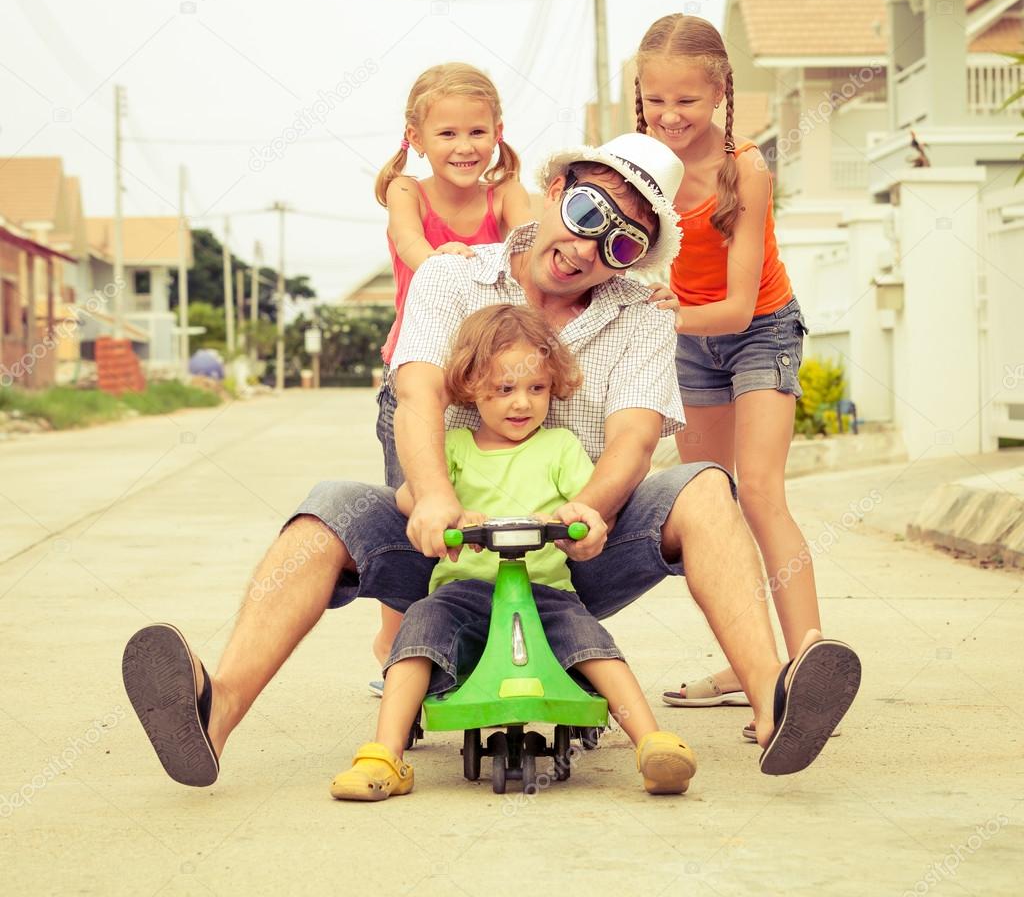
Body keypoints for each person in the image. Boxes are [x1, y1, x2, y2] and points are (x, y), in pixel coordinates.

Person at [121, 132, 860, 791]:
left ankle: (774, 702)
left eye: (622, 243)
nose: (588, 248)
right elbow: (416, 396)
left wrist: (587, 509)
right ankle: (213, 713)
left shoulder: (639, 311)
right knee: (327, 510)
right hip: (450, 546)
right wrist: (435, 499)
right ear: (559, 190)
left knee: (704, 486)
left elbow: (635, 439)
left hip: (571, 548)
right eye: (588, 216)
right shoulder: (453, 278)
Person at [330, 304, 697, 800]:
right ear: (469, 387)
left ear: (554, 386)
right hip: (462, 592)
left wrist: (579, 524)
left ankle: (653, 743)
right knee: (418, 627)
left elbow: (586, 507)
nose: (521, 402)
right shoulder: (455, 448)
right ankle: (384, 753)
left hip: (545, 591)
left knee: (589, 639)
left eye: (536, 388)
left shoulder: (559, 448)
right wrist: (445, 509)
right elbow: (408, 497)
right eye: (504, 389)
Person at [633, 14, 828, 733]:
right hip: (686, 341)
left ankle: (809, 668)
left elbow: (740, 303)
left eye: (687, 100)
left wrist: (661, 318)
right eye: (657, 100)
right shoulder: (634, 163)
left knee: (761, 493)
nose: (670, 115)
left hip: (758, 331)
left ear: (719, 91)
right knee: (706, 508)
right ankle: (754, 669)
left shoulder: (745, 168)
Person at [371, 63, 534, 688]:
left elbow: (529, 239)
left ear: (497, 130)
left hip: (489, 380)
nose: (464, 147)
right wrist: (440, 259)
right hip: (416, 376)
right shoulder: (407, 192)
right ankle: (395, 648)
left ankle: (485, 634)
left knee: (487, 509)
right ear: (415, 136)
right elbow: (411, 246)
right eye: (446, 134)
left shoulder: (506, 191)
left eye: (476, 131)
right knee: (413, 514)